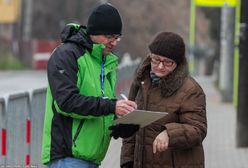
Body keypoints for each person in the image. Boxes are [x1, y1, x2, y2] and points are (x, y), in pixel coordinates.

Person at [41, 3, 137, 168]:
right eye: (109, 37)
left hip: (92, 159)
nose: (114, 42)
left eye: (117, 37)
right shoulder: (66, 55)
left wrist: (122, 122)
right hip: (68, 158)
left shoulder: (105, 61)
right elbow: (67, 102)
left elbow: (101, 105)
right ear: (94, 32)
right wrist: (112, 107)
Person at [120, 32, 207, 168]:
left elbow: (198, 130)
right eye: (156, 60)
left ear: (177, 63)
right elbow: (131, 126)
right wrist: (127, 161)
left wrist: (169, 133)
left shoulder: (191, 90)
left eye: (167, 62)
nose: (160, 66)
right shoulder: (141, 81)